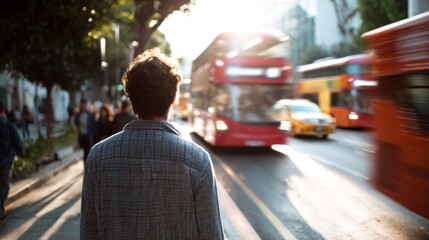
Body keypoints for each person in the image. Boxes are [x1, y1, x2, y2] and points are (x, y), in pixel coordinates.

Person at [80, 49, 224, 239]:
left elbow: (89, 233)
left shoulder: (98, 157)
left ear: (130, 98)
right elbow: (211, 235)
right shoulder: (198, 161)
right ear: (173, 99)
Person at [0, 102, 24, 220]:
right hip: (5, 160)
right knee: (4, 184)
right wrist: (21, 153)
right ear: (3, 110)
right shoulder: (8, 125)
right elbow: (17, 142)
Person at [72, 98, 96, 162]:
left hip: (89, 135)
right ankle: (86, 167)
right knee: (85, 152)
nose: (84, 106)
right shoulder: (78, 114)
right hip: (82, 136)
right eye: (82, 104)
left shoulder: (89, 114)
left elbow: (93, 124)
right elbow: (76, 123)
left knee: (89, 152)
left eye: (85, 104)